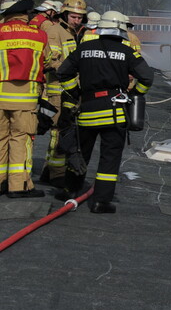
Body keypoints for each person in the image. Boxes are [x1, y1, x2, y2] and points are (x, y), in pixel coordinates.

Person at [56, 11, 153, 213]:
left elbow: (63, 72)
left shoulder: (84, 48)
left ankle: (70, 192)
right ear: (121, 30)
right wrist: (134, 94)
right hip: (114, 112)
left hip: (87, 110)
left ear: (101, 27)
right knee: (110, 157)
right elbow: (147, 78)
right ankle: (101, 201)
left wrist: (75, 91)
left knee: (80, 152)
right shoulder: (127, 52)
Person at [0, 0, 54, 198]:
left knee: (1, 138)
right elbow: (48, 62)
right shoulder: (39, 35)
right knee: (21, 139)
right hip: (25, 98)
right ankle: (19, 185)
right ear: (25, 11)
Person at [38, 0, 87, 186]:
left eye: (80, 17)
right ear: (65, 14)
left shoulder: (80, 33)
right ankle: (57, 174)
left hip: (73, 91)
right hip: (57, 91)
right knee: (59, 132)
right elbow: (50, 61)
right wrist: (72, 70)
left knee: (69, 132)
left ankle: (48, 172)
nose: (77, 20)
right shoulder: (55, 31)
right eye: (74, 17)